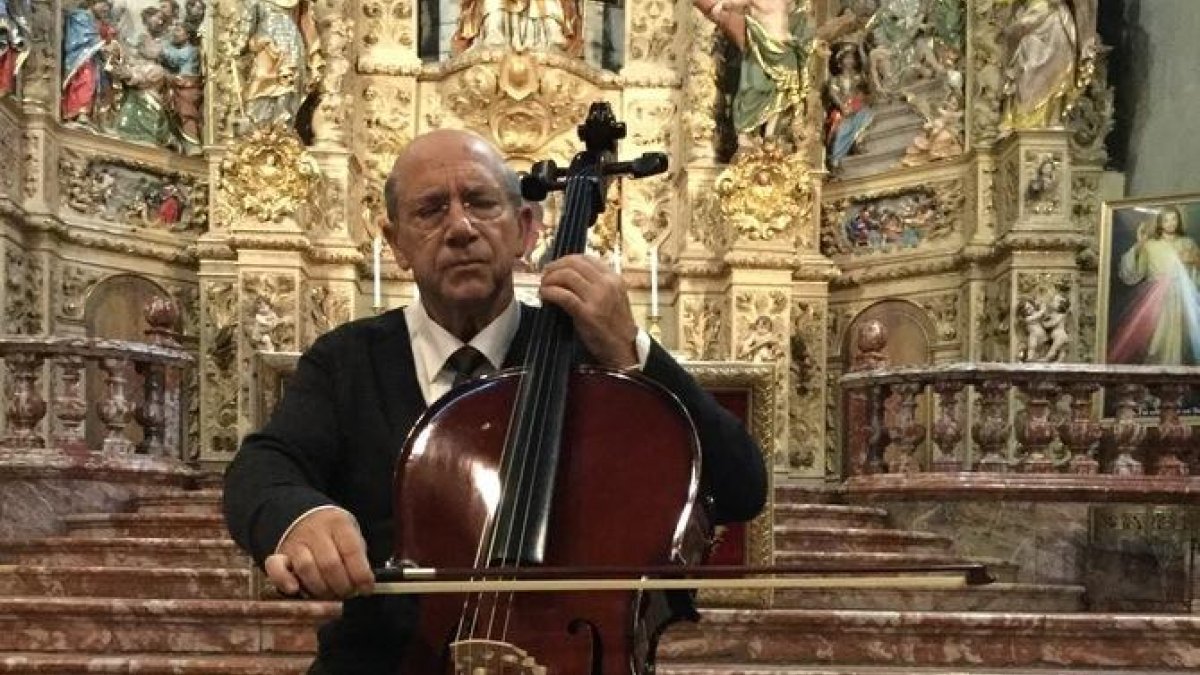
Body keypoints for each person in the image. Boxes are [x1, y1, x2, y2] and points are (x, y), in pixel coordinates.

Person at [223, 129, 768, 673]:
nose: (460, 228)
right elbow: (264, 466)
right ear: (396, 244)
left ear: (525, 229)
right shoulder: (347, 359)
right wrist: (299, 516)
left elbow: (740, 485)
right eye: (431, 210)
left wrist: (630, 349)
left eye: (481, 203)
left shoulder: (595, 362)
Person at [1107, 206, 1200, 365]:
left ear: (1179, 221)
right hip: (1157, 298)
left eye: (1174, 219)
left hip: (1183, 299)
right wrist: (1139, 245)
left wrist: (1193, 261)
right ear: (1160, 223)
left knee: (1182, 339)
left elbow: (1196, 272)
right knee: (1156, 340)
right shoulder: (1150, 245)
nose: (1170, 223)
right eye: (1166, 220)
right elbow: (1134, 272)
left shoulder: (1188, 243)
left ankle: (1178, 374)